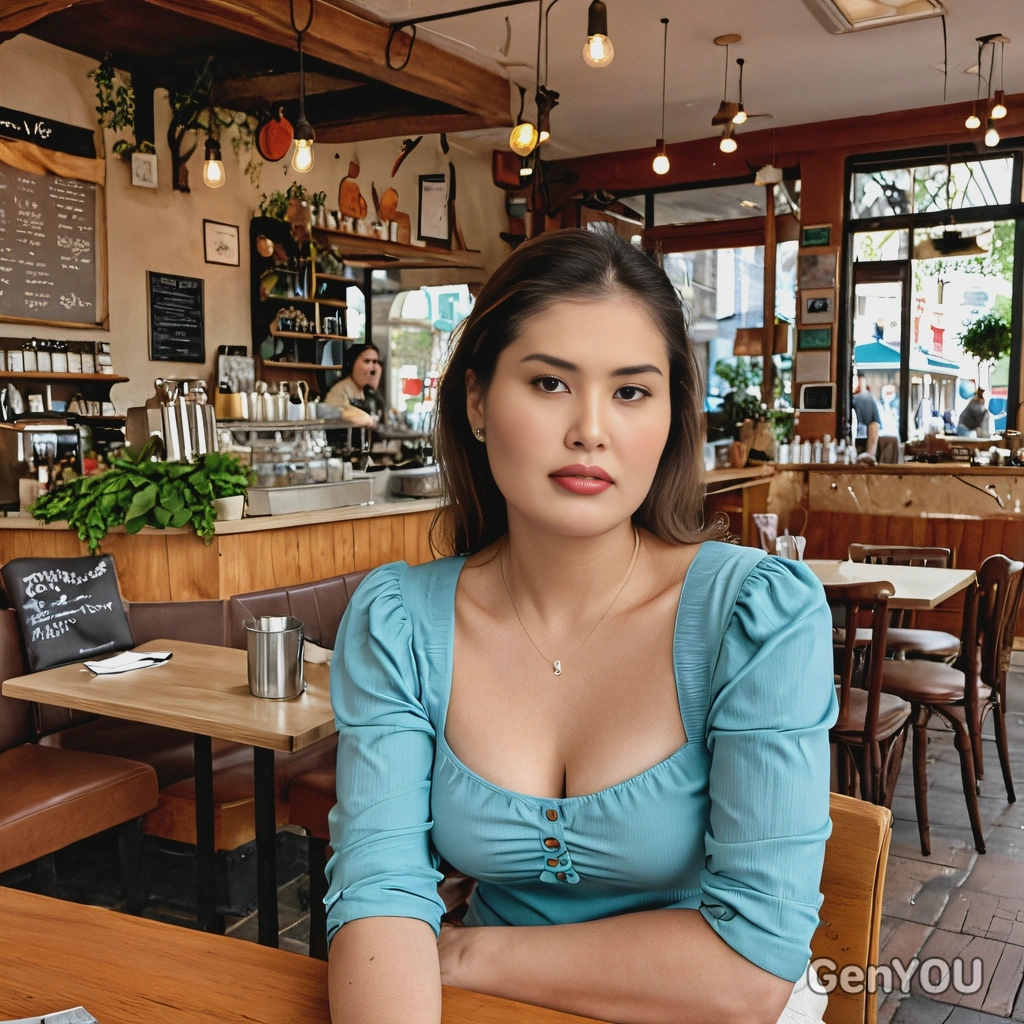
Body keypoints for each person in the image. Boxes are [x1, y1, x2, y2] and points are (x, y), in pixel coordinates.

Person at [324, 230, 837, 1024]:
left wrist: (463, 951)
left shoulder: (755, 616)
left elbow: (751, 968)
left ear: (671, 415)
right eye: (549, 383)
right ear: (476, 402)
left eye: (631, 392)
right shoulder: (398, 623)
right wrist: (418, 955)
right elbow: (380, 899)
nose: (590, 430)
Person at [323, 343, 381, 427]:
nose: (373, 368)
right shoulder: (339, 390)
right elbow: (331, 418)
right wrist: (367, 419)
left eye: (375, 362)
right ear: (351, 363)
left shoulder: (366, 391)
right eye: (367, 361)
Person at [851, 374, 880, 458]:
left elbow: (874, 425)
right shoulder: (855, 398)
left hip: (862, 443)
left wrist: (870, 453)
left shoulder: (866, 398)